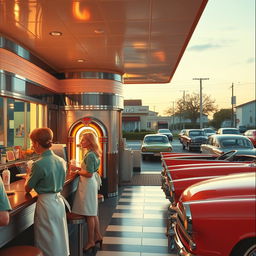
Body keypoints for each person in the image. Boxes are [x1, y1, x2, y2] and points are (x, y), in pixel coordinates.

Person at [25, 127, 70, 256]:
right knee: (58, 237)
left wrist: (28, 175)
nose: (33, 146)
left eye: (33, 143)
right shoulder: (61, 161)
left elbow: (28, 188)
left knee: (46, 239)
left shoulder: (39, 164)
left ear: (37, 144)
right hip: (58, 202)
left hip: (45, 204)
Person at [71, 132, 103, 253]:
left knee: (89, 213)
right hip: (90, 184)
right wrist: (79, 169)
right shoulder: (92, 153)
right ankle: (98, 236)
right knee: (92, 212)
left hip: (88, 184)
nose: (81, 142)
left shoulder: (89, 155)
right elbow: (90, 170)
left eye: (83, 140)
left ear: (89, 142)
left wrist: (77, 171)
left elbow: (88, 174)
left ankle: (90, 241)